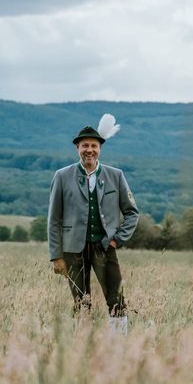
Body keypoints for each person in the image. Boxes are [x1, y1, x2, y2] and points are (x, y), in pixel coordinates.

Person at [48, 120, 139, 332]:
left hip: (105, 247)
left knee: (116, 300)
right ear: (77, 148)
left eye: (94, 146)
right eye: (85, 146)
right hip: (72, 250)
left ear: (100, 148)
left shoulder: (116, 175)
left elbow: (132, 212)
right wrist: (56, 256)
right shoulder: (62, 176)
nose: (89, 150)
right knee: (81, 302)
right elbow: (54, 219)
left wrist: (117, 240)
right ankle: (83, 344)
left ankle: (118, 344)